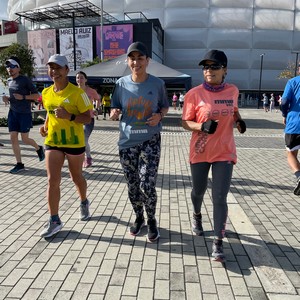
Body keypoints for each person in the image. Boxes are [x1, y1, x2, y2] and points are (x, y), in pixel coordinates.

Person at [181, 49, 246, 262]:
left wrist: (238, 121)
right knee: (198, 191)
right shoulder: (194, 94)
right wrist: (201, 125)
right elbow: (184, 122)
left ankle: (218, 242)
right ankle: (197, 215)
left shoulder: (233, 91)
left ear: (225, 70)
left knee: (219, 197)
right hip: (200, 151)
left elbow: (233, 109)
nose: (209, 70)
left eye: (214, 66)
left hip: (224, 151)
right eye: (206, 67)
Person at [110, 42, 169, 242]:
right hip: (127, 143)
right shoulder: (120, 84)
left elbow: (164, 107)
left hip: (149, 140)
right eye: (132, 58)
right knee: (133, 184)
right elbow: (114, 107)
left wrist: (159, 116)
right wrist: (114, 113)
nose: (136, 62)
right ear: (128, 61)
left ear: (147, 61)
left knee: (147, 183)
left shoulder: (157, 84)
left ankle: (152, 220)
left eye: (140, 58)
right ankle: (139, 216)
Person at [39, 54, 93, 238]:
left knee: (76, 176)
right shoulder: (46, 93)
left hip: (74, 142)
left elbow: (88, 118)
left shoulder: (78, 94)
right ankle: (54, 219)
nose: (54, 72)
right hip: (53, 141)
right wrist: (45, 126)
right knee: (52, 180)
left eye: (58, 68)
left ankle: (84, 201)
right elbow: (49, 112)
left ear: (66, 70)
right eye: (51, 68)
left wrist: (69, 116)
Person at [2, 56, 45, 174]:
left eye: (12, 66)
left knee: (25, 139)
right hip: (13, 113)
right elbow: (13, 97)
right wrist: (6, 98)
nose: (9, 69)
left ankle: (39, 148)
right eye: (7, 67)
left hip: (24, 114)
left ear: (18, 68)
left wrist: (24, 97)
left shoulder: (25, 80)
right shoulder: (9, 81)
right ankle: (19, 164)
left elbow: (37, 96)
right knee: (13, 138)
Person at [281, 66, 300, 196]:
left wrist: (284, 114)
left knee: (291, 154)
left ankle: (299, 176)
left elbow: (285, 101)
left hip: (295, 122)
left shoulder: (293, 82)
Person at [76, 71, 101, 167]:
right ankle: (80, 158)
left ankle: (88, 157)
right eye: (78, 78)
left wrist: (96, 108)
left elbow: (97, 100)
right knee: (79, 140)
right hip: (77, 119)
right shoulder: (73, 91)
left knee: (84, 139)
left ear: (86, 79)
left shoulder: (91, 91)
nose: (79, 80)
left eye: (82, 78)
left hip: (88, 118)